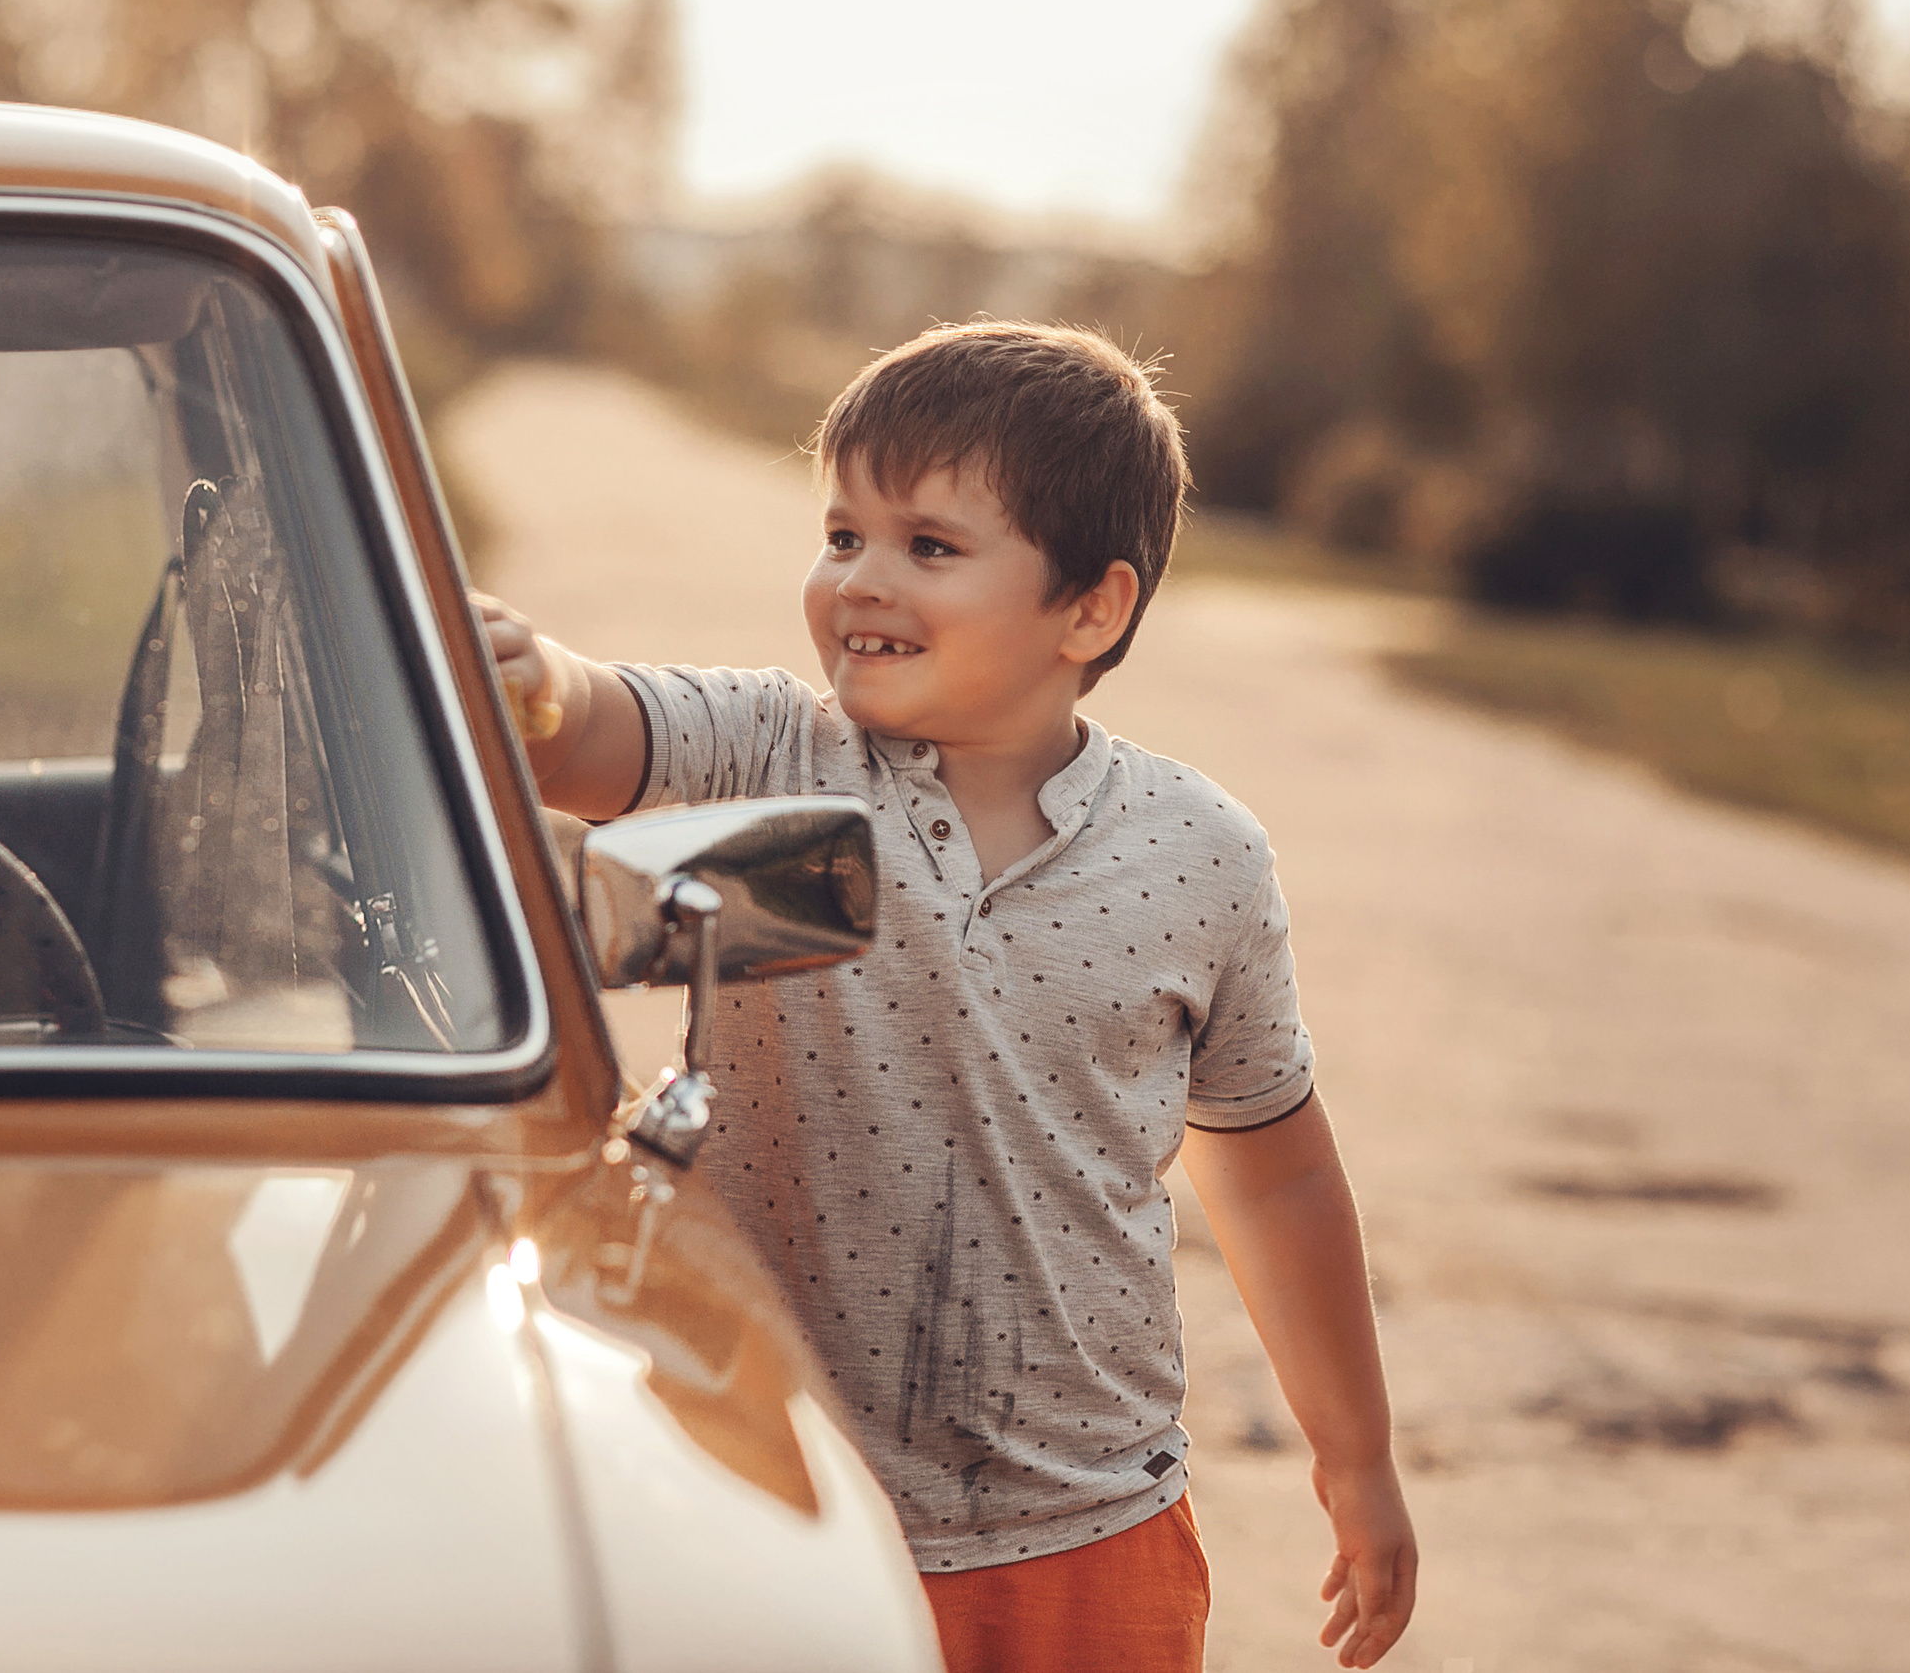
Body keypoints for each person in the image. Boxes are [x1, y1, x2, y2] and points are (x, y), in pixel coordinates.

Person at [480, 321, 1415, 1673]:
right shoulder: (769, 753)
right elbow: (595, 723)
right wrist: (531, 681)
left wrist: (1359, 1458)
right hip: (769, 1485)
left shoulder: (1202, 855)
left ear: (1090, 609)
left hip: (1088, 1527)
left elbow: (1270, 1176)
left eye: (928, 546)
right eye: (842, 532)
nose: (859, 579)